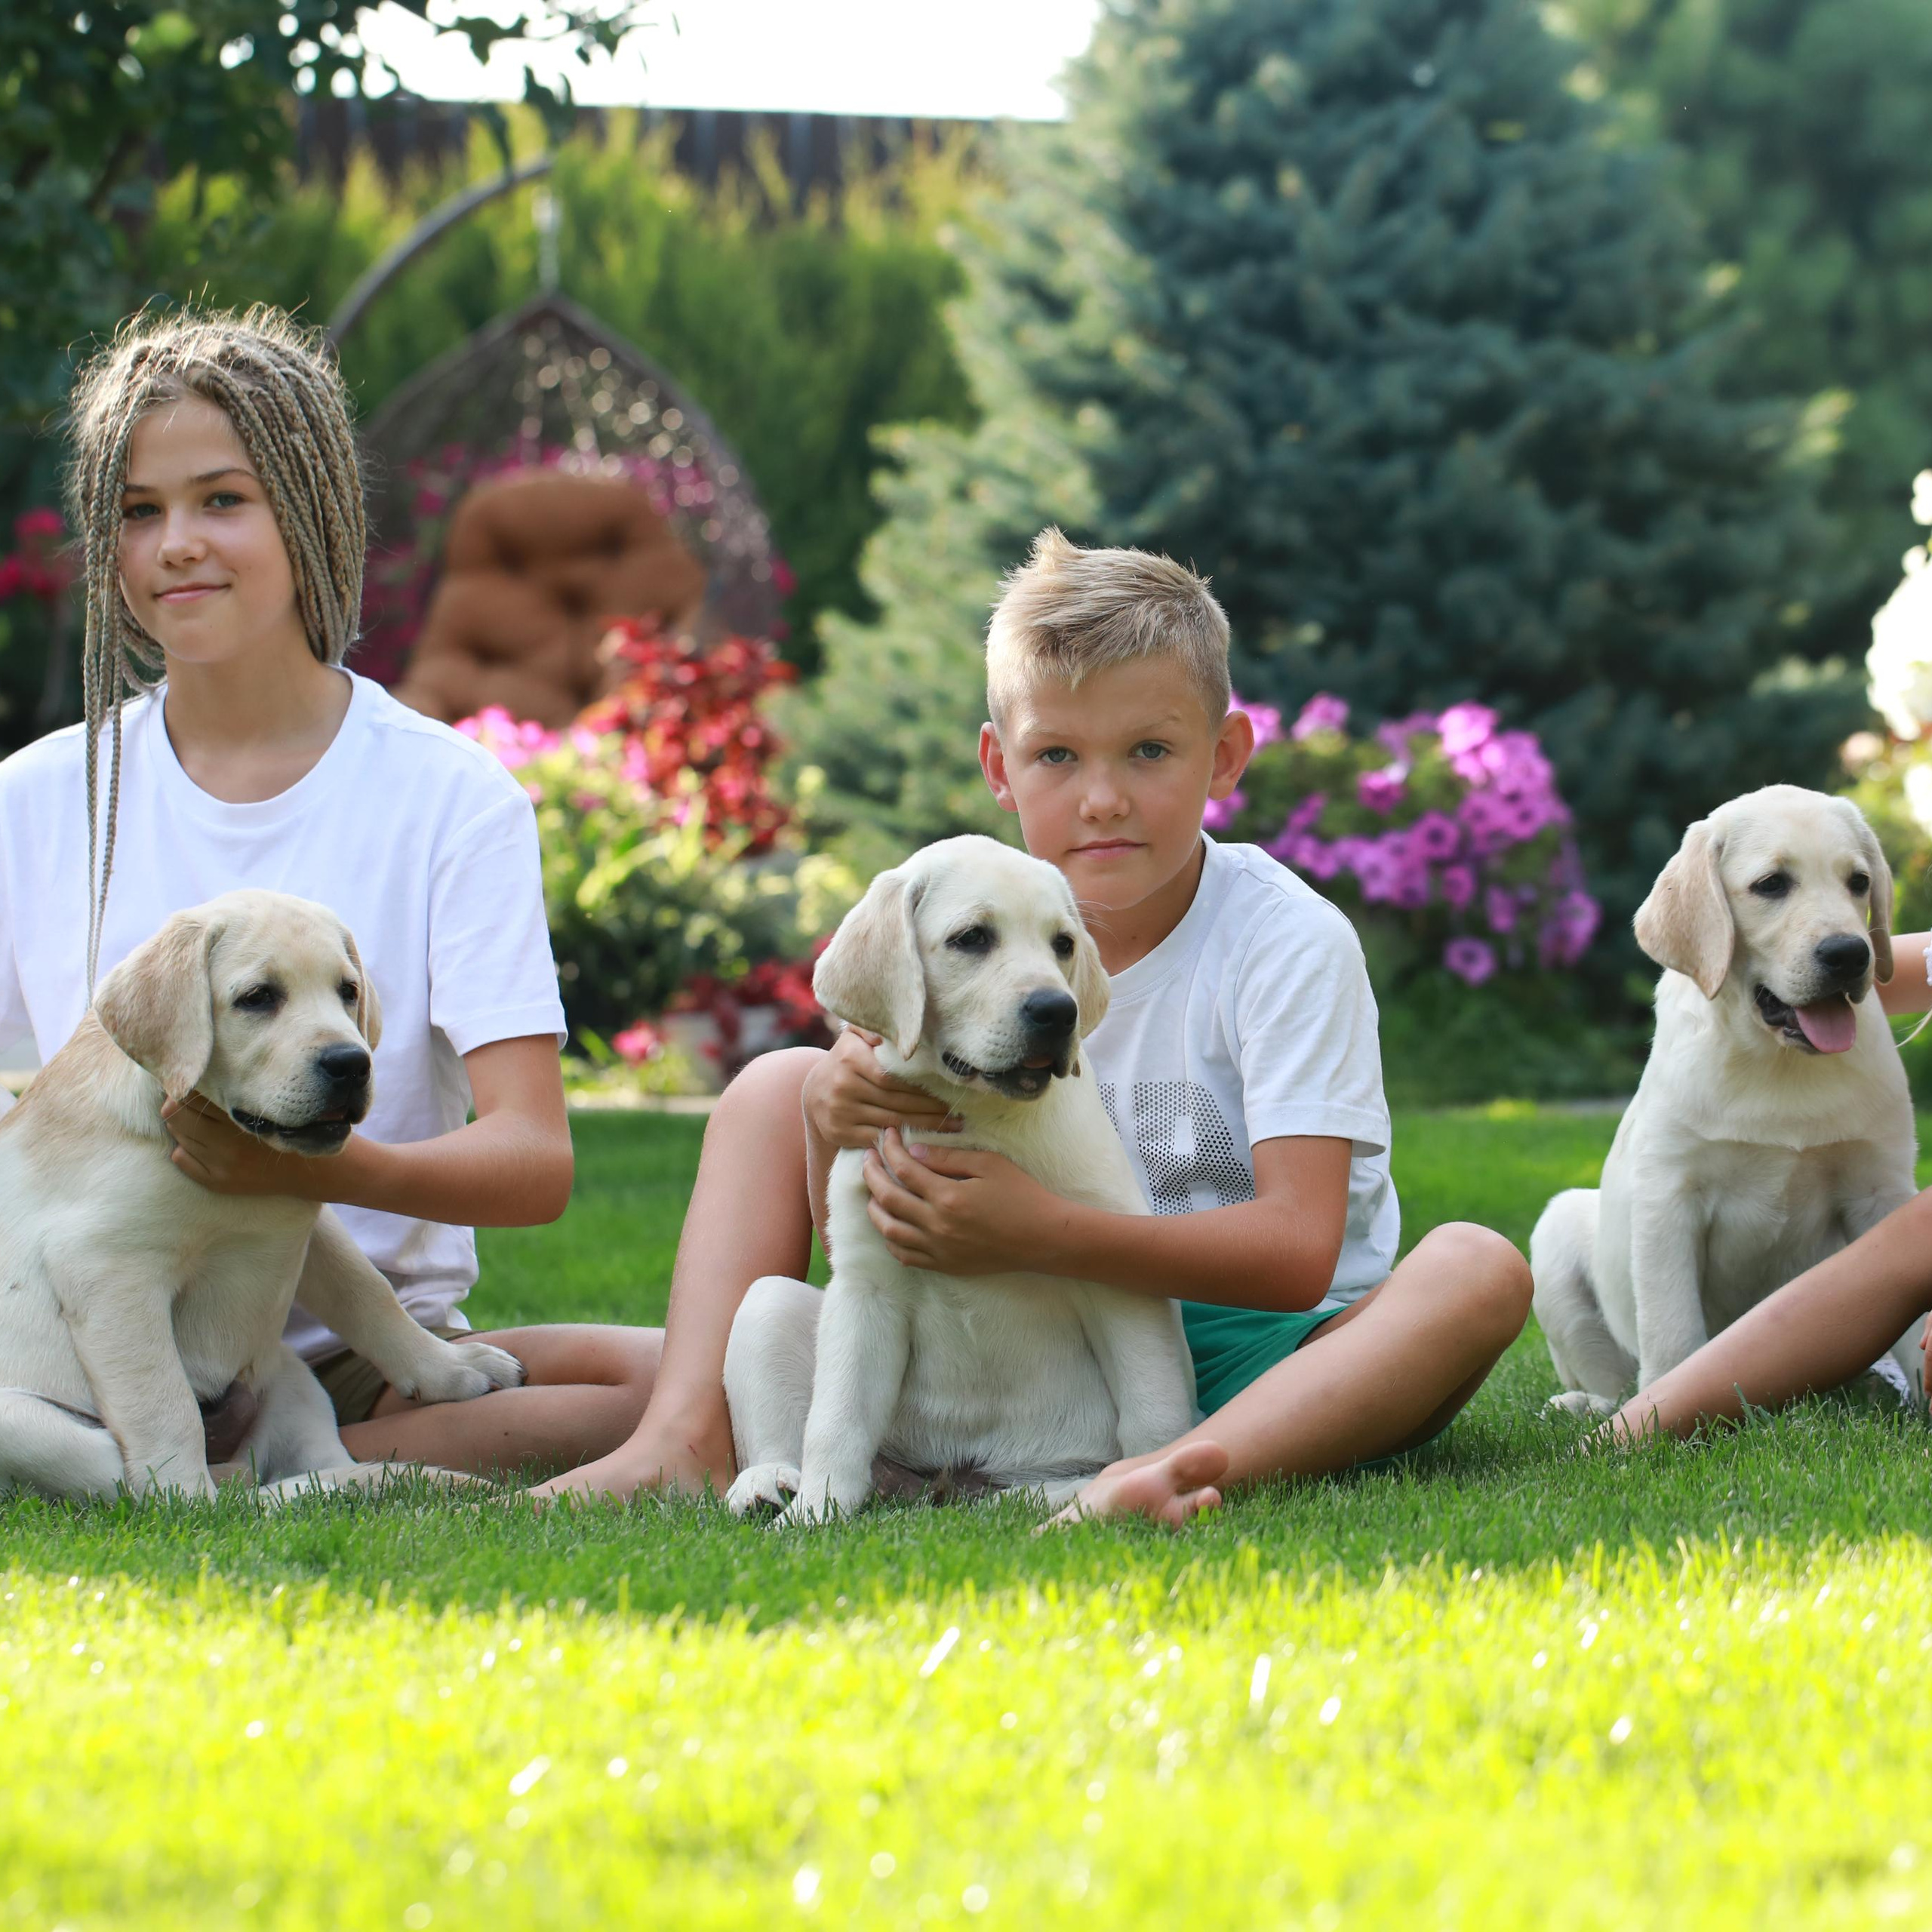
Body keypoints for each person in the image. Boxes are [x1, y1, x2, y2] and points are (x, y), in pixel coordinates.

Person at [537, 528, 1533, 1521]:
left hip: (1277, 1356)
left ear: (1224, 756)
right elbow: (865, 1264)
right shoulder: (953, 937)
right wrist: (829, 1121)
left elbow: (1297, 1252)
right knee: (771, 1098)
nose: (1102, 799)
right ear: (1000, 766)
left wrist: (1051, 1232)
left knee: (1476, 1271)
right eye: (1057, 754)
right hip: (1019, 1352)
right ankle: (661, 1430)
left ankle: (1167, 1472)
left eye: (1150, 750)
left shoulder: (1287, 943)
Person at [0, 303, 658, 1478]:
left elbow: (535, 1161)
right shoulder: (38, 800)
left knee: (706, 1368)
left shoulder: (451, 798)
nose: (176, 545)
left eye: (221, 499)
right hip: (90, 1339)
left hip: (356, 1353)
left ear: (309, 509)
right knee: (681, 1405)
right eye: (138, 514)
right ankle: (301, 1468)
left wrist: (320, 1170)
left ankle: (337, 1447)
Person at [1594, 932, 1932, 1447]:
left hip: (1832, 1321)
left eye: (1857, 883)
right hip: (1651, 1323)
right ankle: (1632, 1403)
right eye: (1771, 886)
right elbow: (1867, 964)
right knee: (1562, 1227)